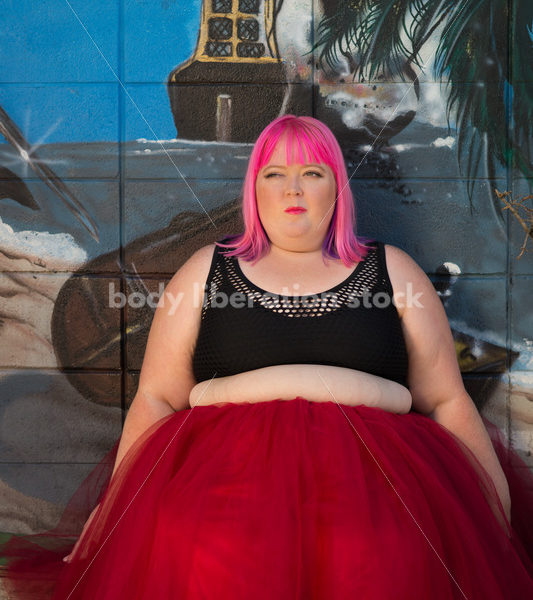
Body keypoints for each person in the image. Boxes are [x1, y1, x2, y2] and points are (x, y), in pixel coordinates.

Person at [3, 114, 533, 599]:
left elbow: (445, 398)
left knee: (382, 553)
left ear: (337, 190)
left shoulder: (394, 271)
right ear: (253, 190)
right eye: (274, 174)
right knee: (207, 550)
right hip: (220, 485)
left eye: (313, 174)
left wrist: (493, 508)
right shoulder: (203, 271)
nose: (293, 189)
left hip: (379, 489)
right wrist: (113, 509)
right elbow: (158, 397)